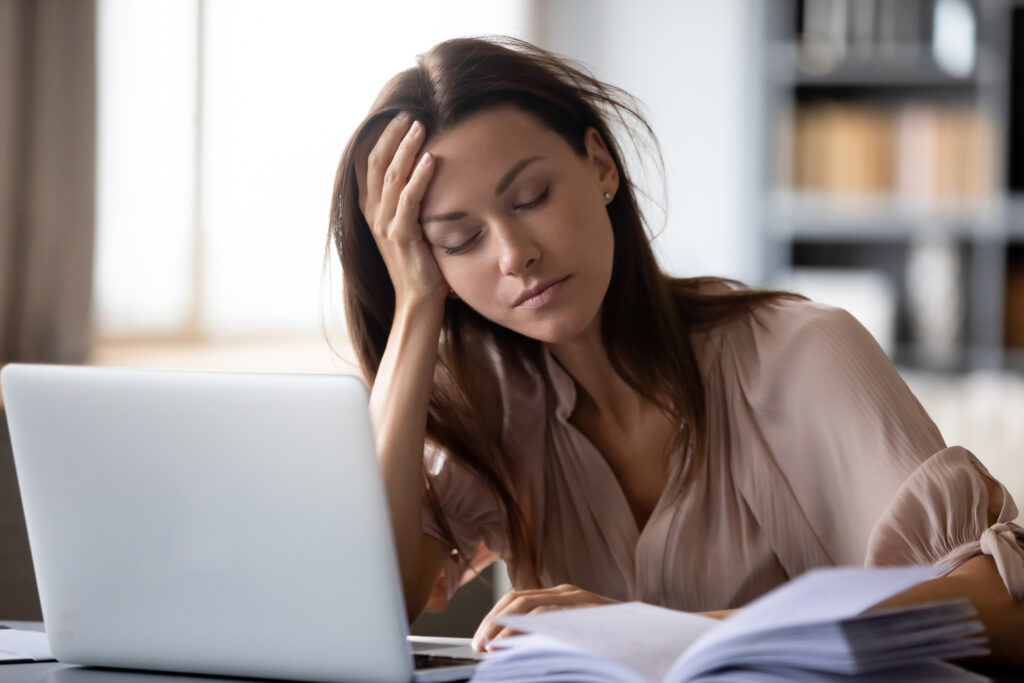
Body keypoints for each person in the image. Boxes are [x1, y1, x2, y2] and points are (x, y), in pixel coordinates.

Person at [327, 35, 1024, 665]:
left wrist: (664, 631)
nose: (515, 256)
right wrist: (417, 306)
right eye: (458, 241)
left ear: (601, 165)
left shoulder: (803, 355)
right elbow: (374, 601)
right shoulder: (498, 397)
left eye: (532, 195)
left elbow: (1001, 605)